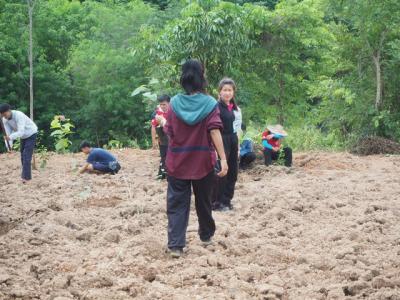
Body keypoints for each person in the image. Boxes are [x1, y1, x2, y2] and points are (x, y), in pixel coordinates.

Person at [164, 59, 228, 258]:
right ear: (202, 78)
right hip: (202, 162)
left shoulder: (173, 103)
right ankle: (206, 236)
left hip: (177, 162)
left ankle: (176, 245)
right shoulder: (210, 104)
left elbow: (169, 132)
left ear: (183, 78)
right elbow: (215, 131)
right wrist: (223, 159)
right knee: (204, 201)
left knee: (176, 204)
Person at [212, 78, 239, 212]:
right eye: (225, 90)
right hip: (221, 140)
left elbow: (237, 127)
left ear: (233, 92)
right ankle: (217, 203)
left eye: (230, 90)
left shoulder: (233, 107)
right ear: (220, 92)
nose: (227, 93)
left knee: (233, 171)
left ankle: (227, 200)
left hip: (233, 139)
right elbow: (213, 129)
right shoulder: (216, 107)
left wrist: (237, 146)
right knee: (222, 171)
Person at [0, 103, 38, 183]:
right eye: (2, 115)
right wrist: (9, 147)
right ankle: (25, 176)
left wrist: (9, 137)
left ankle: (26, 178)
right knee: (22, 156)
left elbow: (20, 132)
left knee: (26, 155)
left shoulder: (19, 115)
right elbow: (8, 134)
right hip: (23, 136)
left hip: (31, 133)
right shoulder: (5, 120)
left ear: (9, 111)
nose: (4, 116)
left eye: (5, 114)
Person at [151, 95, 170, 180]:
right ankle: (162, 175)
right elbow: (153, 127)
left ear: (169, 103)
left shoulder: (174, 112)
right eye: (161, 104)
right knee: (163, 156)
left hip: (173, 139)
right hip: (162, 139)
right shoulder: (158, 114)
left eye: (164, 104)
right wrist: (153, 141)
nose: (162, 106)